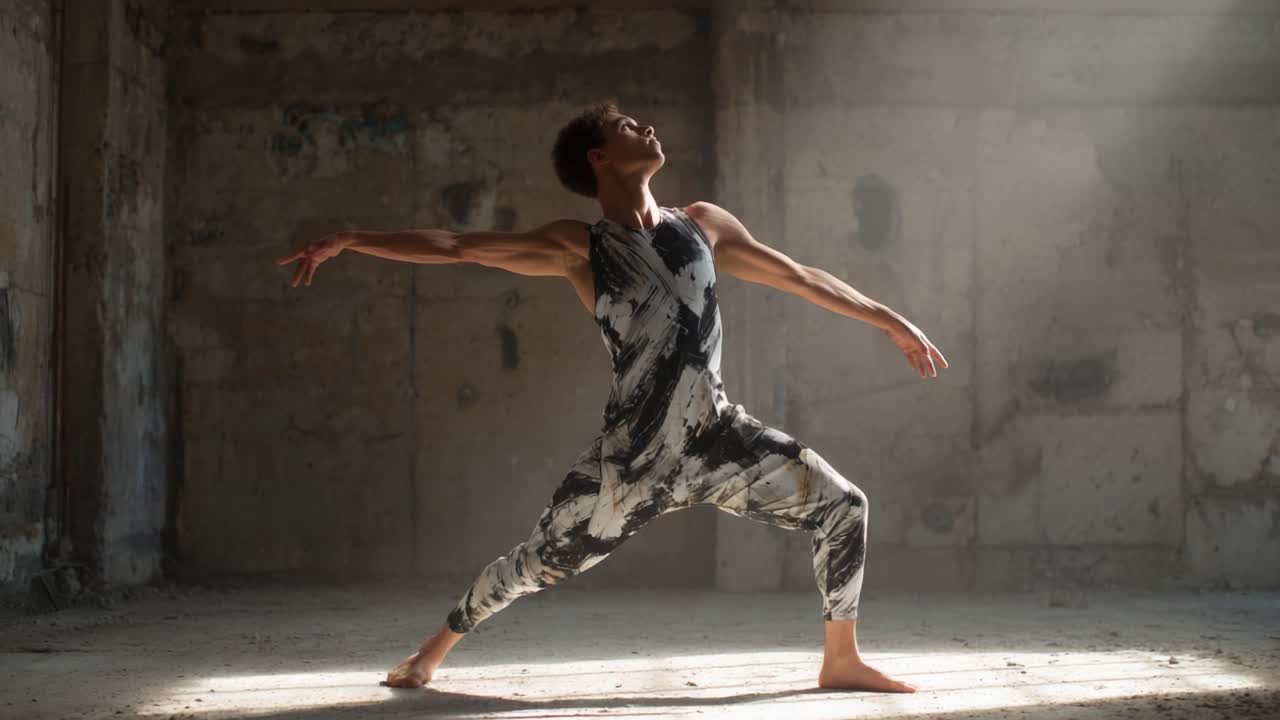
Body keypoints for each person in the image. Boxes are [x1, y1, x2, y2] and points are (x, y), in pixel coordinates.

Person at [276, 103, 947, 693]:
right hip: (632, 460)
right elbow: (460, 246)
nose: (647, 127)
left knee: (843, 506)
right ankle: (431, 651)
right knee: (537, 565)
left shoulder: (703, 224)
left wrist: (889, 319)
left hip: (718, 437)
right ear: (598, 156)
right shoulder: (581, 247)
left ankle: (840, 660)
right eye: (628, 126)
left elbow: (797, 276)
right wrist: (355, 239)